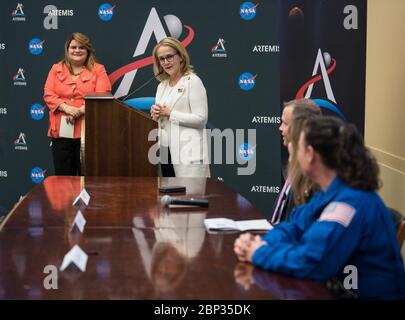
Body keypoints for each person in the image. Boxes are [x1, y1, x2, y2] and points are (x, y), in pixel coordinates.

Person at [234, 116, 405, 299]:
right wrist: (262, 243)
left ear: (310, 154)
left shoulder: (349, 203)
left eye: (297, 146)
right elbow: (292, 227)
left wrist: (259, 252)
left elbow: (311, 262)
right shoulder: (327, 193)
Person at [44, 32, 111, 176]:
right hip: (61, 132)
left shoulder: (98, 69)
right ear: (67, 49)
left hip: (88, 132)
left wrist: (79, 111)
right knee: (63, 179)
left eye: (82, 47)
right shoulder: (56, 68)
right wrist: (67, 108)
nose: (77, 50)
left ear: (88, 50)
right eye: (73, 47)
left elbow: (102, 96)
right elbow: (49, 94)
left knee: (88, 179)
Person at [150, 37, 210, 178]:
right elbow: (162, 120)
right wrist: (156, 114)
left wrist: (170, 113)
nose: (166, 62)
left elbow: (201, 119)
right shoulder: (162, 86)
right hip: (165, 152)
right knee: (169, 198)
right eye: (162, 59)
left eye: (170, 57)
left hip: (188, 154)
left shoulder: (192, 81)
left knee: (188, 199)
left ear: (181, 57)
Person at [271, 99, 320, 224]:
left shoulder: (312, 178)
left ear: (300, 128)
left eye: (285, 124)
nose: (280, 128)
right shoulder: (293, 167)